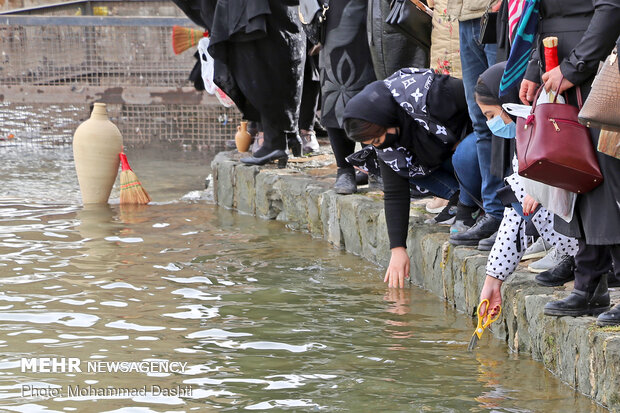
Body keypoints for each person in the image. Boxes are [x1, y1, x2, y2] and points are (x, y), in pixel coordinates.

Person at [486, 0, 620, 325]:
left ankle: (597, 283)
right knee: (578, 180)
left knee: (610, 183)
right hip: (563, 67)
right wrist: (535, 70)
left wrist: (574, 67)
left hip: (598, 71)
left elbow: (611, 10)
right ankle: (589, 285)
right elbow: (542, 15)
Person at [343, 68, 472, 288]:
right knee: (402, 166)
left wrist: (464, 138)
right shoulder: (389, 146)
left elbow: (479, 105)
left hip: (473, 152)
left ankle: (474, 204)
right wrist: (397, 249)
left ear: (386, 118)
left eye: (377, 138)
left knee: (467, 153)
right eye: (371, 142)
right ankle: (459, 195)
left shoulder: (432, 94)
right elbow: (395, 194)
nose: (378, 145)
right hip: (444, 161)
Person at [474, 63, 579, 308]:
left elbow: (518, 213)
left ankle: (590, 261)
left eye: (491, 115)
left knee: (529, 200)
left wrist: (545, 188)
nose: (491, 124)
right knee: (524, 197)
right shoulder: (528, 132)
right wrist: (493, 278)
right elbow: (514, 214)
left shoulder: (549, 124)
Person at [447, 0, 505, 247]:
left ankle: (515, 214)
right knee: (482, 122)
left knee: (507, 115)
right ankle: (494, 213)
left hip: (497, 14)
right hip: (465, 16)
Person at [319, 0, 376, 194]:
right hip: (337, 9)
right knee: (337, 84)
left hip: (381, 10)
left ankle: (375, 166)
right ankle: (344, 168)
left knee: (377, 88)